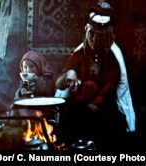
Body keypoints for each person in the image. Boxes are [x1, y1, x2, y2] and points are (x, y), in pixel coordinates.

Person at [55, 2, 130, 150]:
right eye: (92, 34)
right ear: (86, 31)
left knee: (110, 127)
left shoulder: (112, 58)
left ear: (109, 35)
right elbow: (59, 84)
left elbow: (110, 85)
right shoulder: (79, 55)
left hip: (104, 107)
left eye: (100, 35)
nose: (95, 39)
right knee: (70, 119)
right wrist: (69, 74)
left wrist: (95, 102)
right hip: (79, 106)